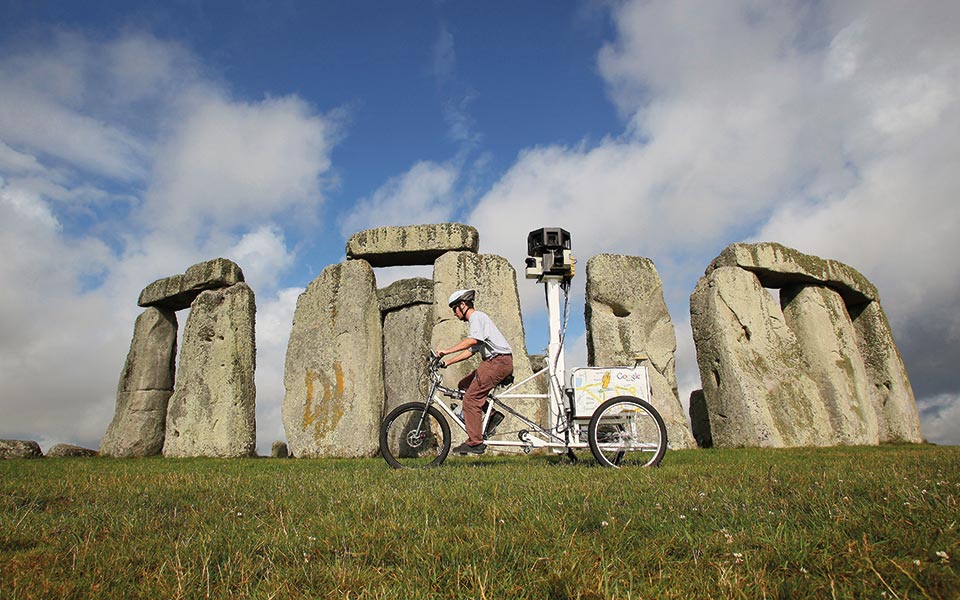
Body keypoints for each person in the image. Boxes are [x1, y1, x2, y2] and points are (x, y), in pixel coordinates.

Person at [437, 289, 512, 455]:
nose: (454, 314)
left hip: (498, 361)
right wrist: (447, 362)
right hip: (495, 361)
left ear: (463, 305)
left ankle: (475, 442)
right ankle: (493, 416)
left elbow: (472, 341)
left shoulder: (476, 317)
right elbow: (471, 350)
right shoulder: (478, 321)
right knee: (464, 385)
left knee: (470, 399)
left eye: (454, 309)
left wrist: (446, 351)